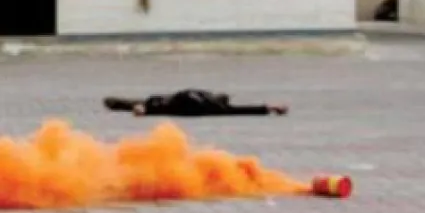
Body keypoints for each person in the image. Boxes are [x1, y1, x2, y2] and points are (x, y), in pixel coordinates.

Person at [104, 89, 288, 117]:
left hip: (175, 104)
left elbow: (244, 110)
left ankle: (119, 104)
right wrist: (270, 107)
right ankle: (118, 104)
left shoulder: (217, 108)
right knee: (145, 103)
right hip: (169, 101)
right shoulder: (209, 97)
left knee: (147, 104)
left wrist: (269, 108)